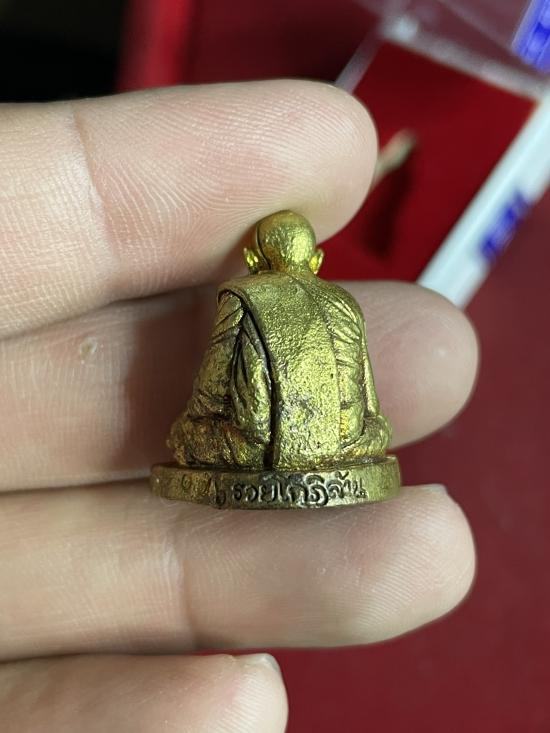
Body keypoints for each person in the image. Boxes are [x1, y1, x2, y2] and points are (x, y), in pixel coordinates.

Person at [0, 80, 477, 732]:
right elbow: (367, 399)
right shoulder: (343, 302)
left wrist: (190, 429)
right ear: (317, 259)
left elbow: (212, 387)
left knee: (191, 434)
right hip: (349, 446)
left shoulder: (243, 297)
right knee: (369, 427)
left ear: (252, 258)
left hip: (253, 449)